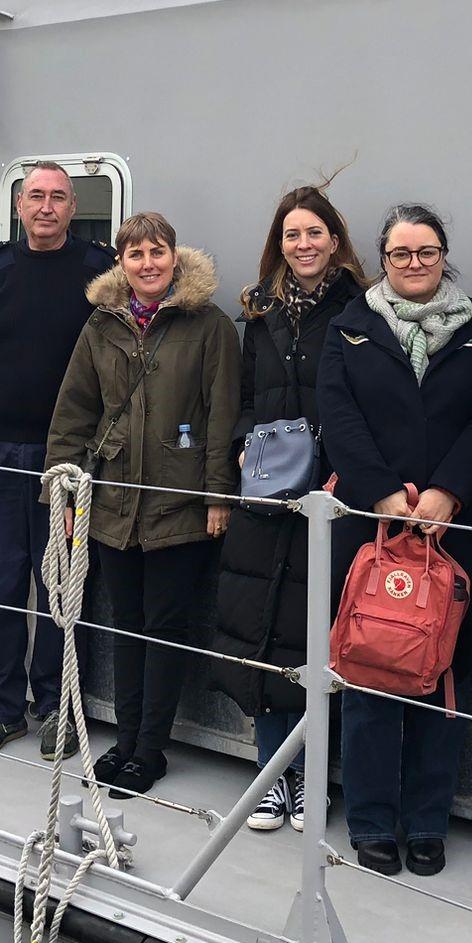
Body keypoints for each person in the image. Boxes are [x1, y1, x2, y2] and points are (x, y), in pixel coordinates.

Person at [318, 203, 472, 879]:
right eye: (401, 254)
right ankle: (372, 821)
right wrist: (382, 492)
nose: (414, 264)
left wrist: (448, 491)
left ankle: (427, 824)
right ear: (384, 259)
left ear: (443, 254)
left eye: (426, 252)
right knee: (373, 671)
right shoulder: (350, 329)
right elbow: (337, 416)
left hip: (455, 531)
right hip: (373, 526)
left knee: (442, 678)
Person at [46, 212, 239, 798]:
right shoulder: (100, 327)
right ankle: (124, 738)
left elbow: (221, 415)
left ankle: (150, 749)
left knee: (164, 629)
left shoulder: (210, 327)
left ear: (174, 258)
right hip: (111, 503)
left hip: (178, 504)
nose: (148, 264)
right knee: (125, 626)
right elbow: (74, 410)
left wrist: (216, 496)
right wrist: (63, 487)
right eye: (136, 255)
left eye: (158, 252)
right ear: (122, 264)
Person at [209, 186, 368, 833]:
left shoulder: (362, 309)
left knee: (320, 637)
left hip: (331, 497)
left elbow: (369, 399)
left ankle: (313, 781)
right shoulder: (260, 310)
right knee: (266, 633)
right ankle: (272, 776)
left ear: (335, 239)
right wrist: (247, 444)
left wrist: (346, 469)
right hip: (268, 493)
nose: (303, 245)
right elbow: (246, 394)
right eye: (292, 235)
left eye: (314, 233)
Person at [0, 162, 116, 758]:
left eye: (58, 198)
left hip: (64, 456)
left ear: (73, 208)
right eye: (35, 196)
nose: (46, 207)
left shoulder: (99, 269)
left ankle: (54, 707)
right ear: (20, 206)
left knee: (59, 589)